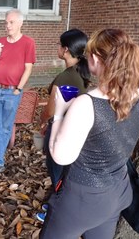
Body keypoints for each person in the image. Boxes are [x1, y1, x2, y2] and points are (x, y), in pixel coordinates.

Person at [39, 29, 139, 239]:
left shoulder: (87, 104)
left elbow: (61, 156)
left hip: (83, 199)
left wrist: (60, 113)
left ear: (96, 59)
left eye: (88, 54)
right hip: (119, 192)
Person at [36, 29, 90, 222]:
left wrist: (43, 122)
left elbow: (50, 110)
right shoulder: (81, 73)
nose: (58, 49)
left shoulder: (66, 77)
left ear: (66, 50)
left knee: (57, 171)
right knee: (65, 172)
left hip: (61, 129)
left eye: (60, 45)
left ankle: (55, 213)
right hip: (75, 129)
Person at [0, 9, 36, 178]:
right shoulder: (0, 42)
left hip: (11, 91)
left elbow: (28, 68)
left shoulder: (28, 43)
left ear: (20, 23)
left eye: (11, 22)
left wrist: (19, 89)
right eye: (6, 22)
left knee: (5, 128)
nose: (7, 25)